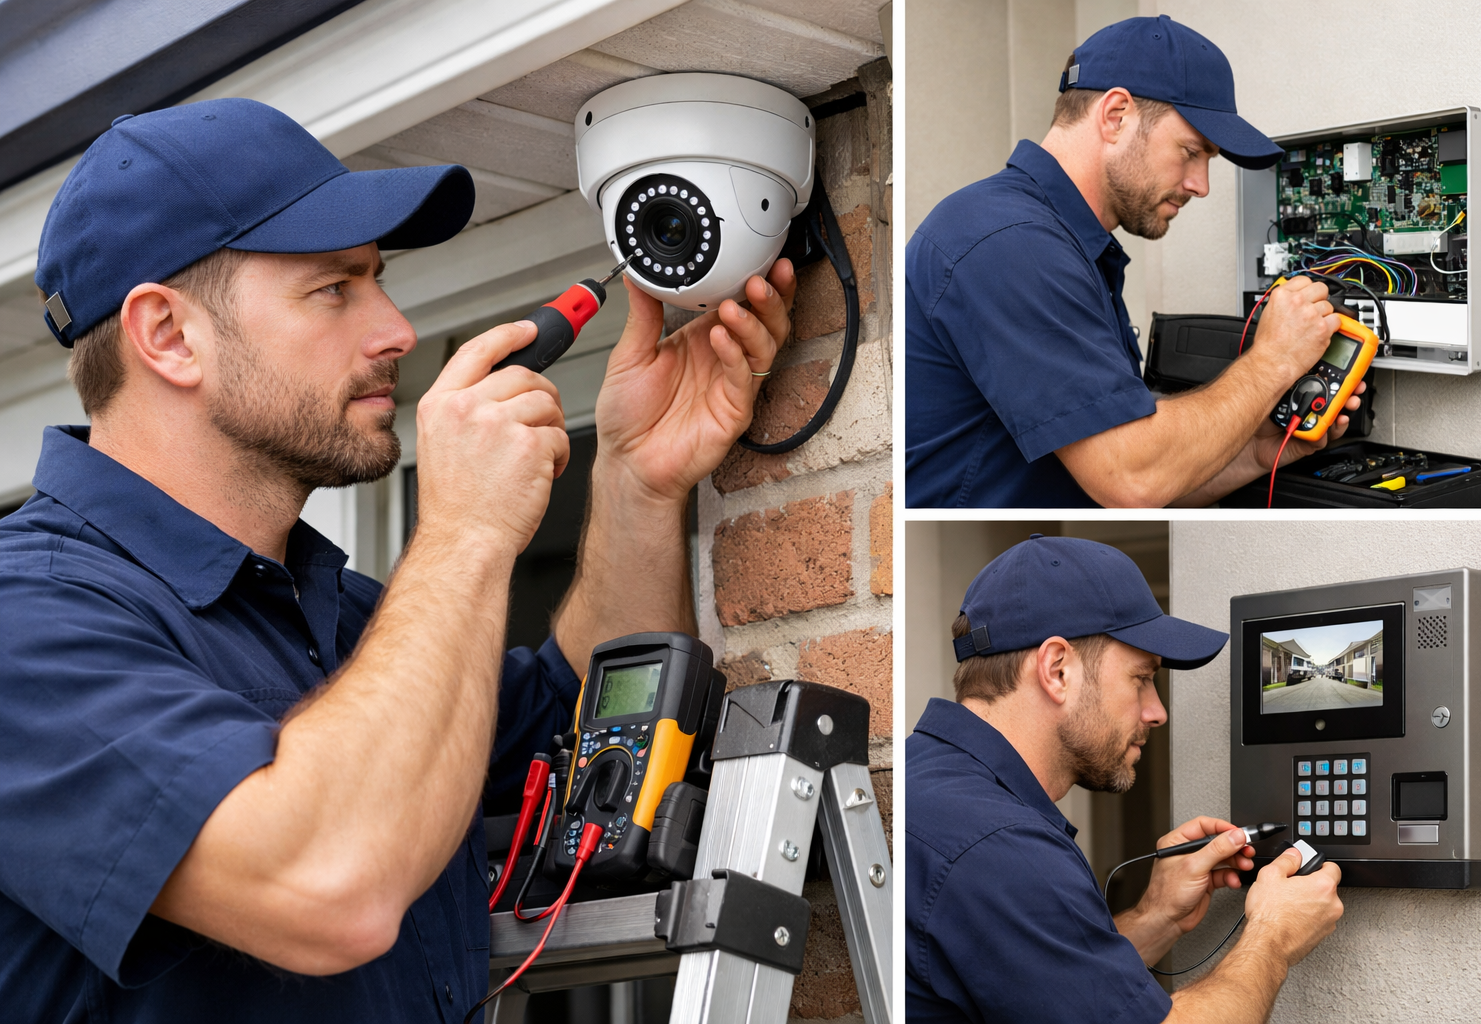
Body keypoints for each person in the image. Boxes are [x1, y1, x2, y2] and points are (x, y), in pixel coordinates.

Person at [0, 98, 797, 1021]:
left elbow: (593, 727)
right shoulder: (27, 621)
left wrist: (637, 484)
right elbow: (327, 885)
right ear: (169, 336)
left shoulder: (346, 619)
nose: (397, 330)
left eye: (379, 280)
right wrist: (464, 530)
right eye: (334, 289)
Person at [905, 15, 1367, 508]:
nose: (1201, 185)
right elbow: (1131, 478)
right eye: (1191, 151)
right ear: (1116, 115)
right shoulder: (1008, 241)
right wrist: (1274, 360)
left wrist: (1254, 452)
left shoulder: (1068, 245)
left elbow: (1140, 471)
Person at [907, 535, 1344, 1023]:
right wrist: (1273, 936)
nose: (1157, 712)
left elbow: (1053, 990)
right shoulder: (999, 847)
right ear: (1057, 670)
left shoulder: (930, 784)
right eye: (1142, 678)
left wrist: (1156, 916)